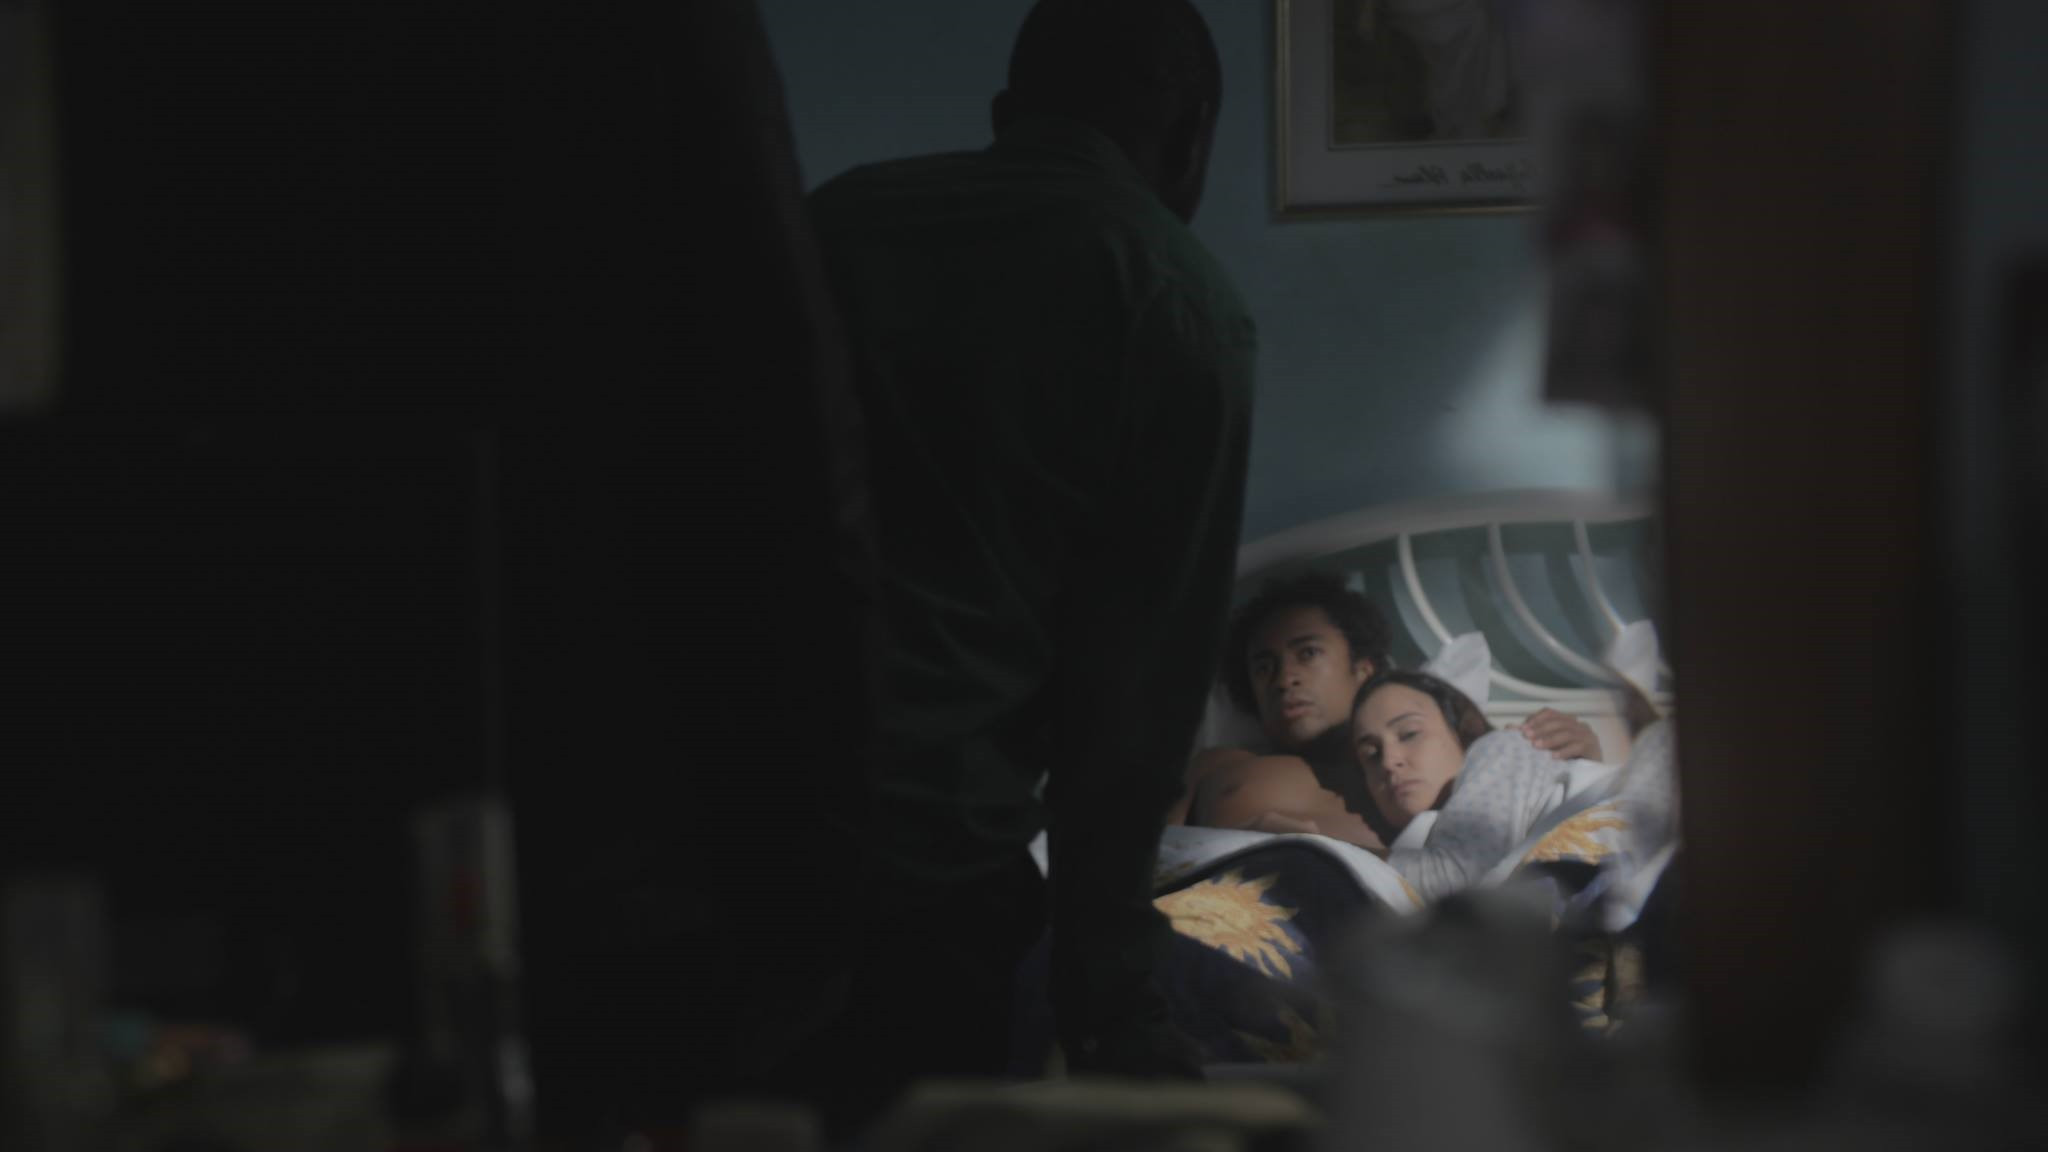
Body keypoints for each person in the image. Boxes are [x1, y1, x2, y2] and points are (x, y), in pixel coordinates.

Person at [781, 0, 1253, 1132]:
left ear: (1005, 114)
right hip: (923, 870)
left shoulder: (838, 221)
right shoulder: (1172, 301)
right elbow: (1132, 713)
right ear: (1192, 135)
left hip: (715, 835)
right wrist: (1109, 1003)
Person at [1175, 572, 1602, 838]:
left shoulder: (1441, 772)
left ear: (1363, 669)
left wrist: (1585, 763)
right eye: (1264, 667)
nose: (1284, 679)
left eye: (1307, 653)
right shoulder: (1219, 765)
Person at [1352, 669, 1674, 901]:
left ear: (1463, 731)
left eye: (1409, 734)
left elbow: (1456, 875)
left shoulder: (1502, 746)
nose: (1389, 761)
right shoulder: (1418, 841)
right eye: (1370, 754)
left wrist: (1334, 850)